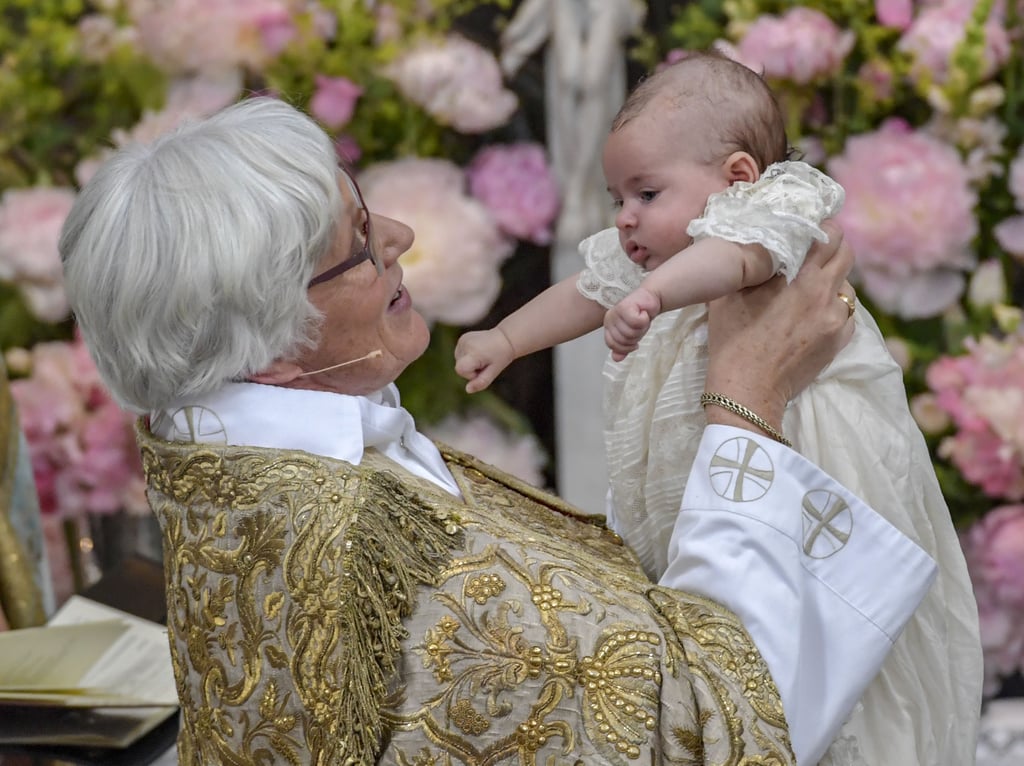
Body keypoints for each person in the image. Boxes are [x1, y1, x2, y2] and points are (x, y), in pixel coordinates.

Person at [59, 97, 936, 766]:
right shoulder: (386, 558)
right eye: (361, 242)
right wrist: (747, 397)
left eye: (368, 208)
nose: (400, 235)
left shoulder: (217, 459)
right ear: (276, 346)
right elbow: (717, 728)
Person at [455, 53, 981, 765]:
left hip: (807, 461)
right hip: (711, 469)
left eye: (645, 193)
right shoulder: (650, 255)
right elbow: (585, 289)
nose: (626, 217)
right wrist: (507, 339)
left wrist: (654, 296)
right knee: (708, 624)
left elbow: (738, 263)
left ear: (737, 177)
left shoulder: (771, 212)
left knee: (816, 642)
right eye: (618, 197)